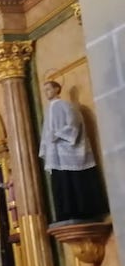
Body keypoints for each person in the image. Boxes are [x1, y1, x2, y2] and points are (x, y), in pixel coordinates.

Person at [38, 79, 109, 222]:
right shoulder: (48, 110)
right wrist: (45, 145)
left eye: (49, 89)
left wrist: (57, 134)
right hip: (56, 153)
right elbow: (46, 131)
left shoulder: (66, 105)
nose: (47, 93)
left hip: (69, 151)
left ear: (57, 89)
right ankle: (65, 214)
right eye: (45, 90)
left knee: (74, 180)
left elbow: (74, 125)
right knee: (61, 182)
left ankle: (83, 212)